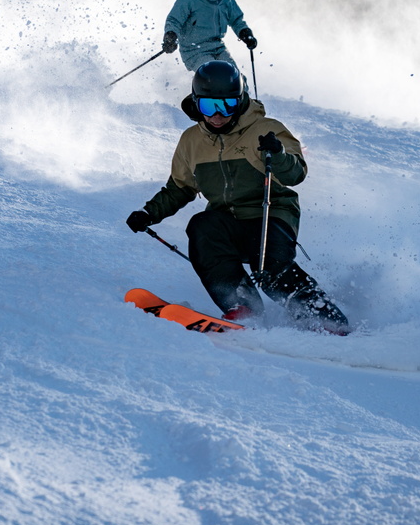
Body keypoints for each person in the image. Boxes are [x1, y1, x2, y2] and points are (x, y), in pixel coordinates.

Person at [125, 60, 350, 334]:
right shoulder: (191, 141)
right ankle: (243, 306)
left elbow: (295, 174)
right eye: (209, 106)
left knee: (269, 270)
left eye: (227, 105)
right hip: (227, 224)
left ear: (240, 101)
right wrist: (150, 213)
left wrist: (277, 155)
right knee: (201, 226)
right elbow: (181, 187)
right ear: (196, 103)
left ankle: (321, 315)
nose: (218, 115)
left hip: (271, 216)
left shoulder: (266, 129)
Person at [162, 0, 258, 72]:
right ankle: (205, 89)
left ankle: (244, 90)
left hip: (218, 47)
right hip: (194, 50)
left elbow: (237, 21)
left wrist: (245, 34)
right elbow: (174, 20)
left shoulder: (227, 1)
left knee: (234, 75)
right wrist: (170, 36)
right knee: (214, 74)